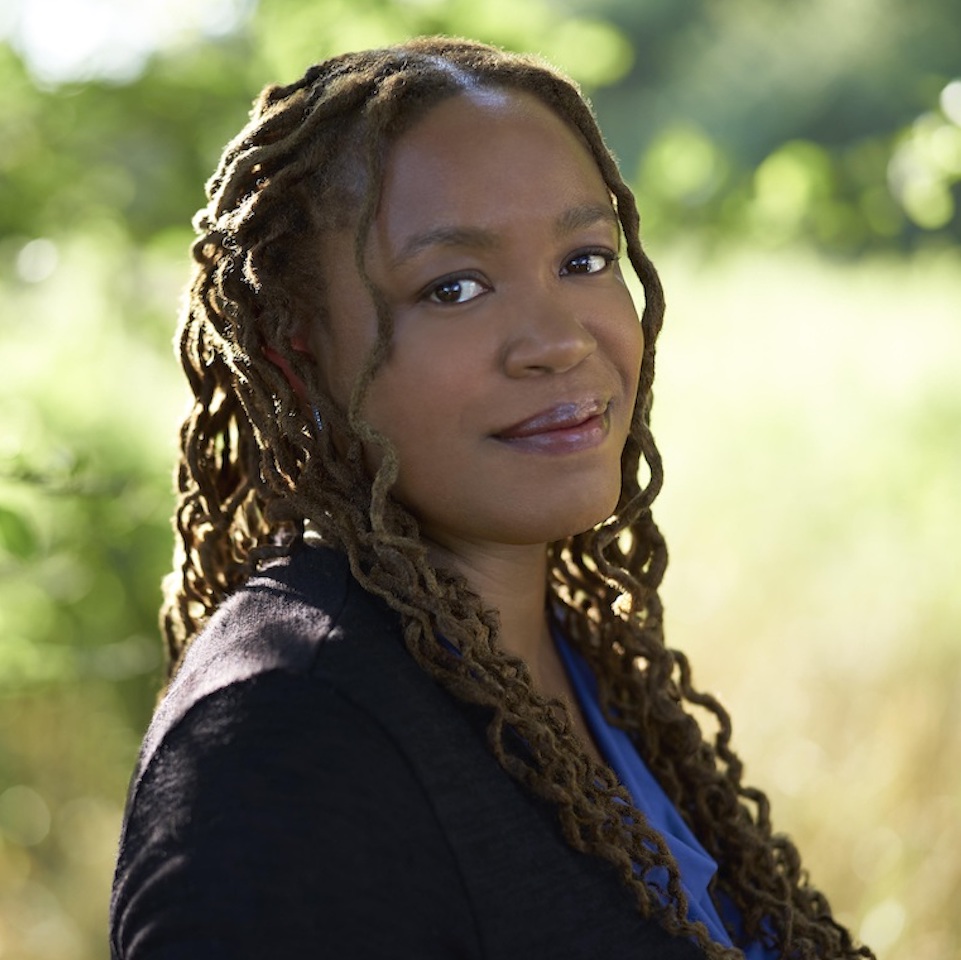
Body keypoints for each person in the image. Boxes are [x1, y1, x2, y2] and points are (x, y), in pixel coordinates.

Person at [110, 37, 874, 960]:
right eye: (454, 287)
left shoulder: (563, 662)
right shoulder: (284, 739)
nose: (556, 341)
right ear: (294, 354)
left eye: (585, 261)